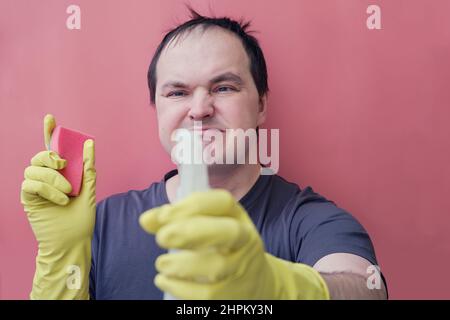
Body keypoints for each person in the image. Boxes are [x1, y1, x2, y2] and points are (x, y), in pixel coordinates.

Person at [20, 7, 387, 300]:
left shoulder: (311, 221)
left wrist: (274, 286)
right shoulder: (101, 225)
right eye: (177, 93)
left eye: (223, 87)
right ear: (158, 109)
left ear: (260, 104)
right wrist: (62, 256)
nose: (199, 109)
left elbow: (366, 289)